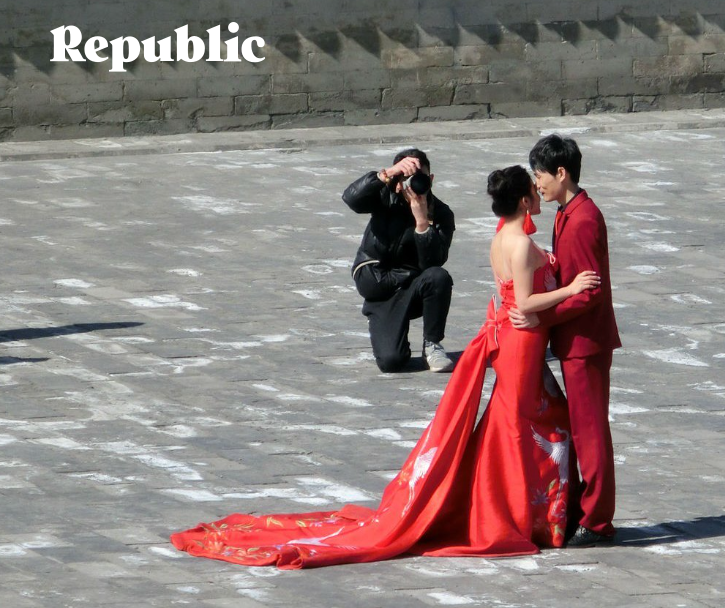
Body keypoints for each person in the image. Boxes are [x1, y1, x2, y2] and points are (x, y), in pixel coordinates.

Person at [169, 166, 600, 568]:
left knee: (521, 424)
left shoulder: (503, 236)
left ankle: (528, 511)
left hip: (514, 340)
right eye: (533, 190)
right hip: (521, 344)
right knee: (525, 428)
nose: (538, 193)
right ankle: (522, 515)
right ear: (524, 201)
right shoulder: (520, 244)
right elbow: (524, 302)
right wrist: (571, 289)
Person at [510, 134, 622, 547]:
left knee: (591, 433)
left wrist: (541, 315)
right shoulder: (567, 213)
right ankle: (583, 511)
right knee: (583, 429)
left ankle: (597, 520)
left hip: (585, 342)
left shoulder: (583, 219)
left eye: (540, 174)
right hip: (576, 341)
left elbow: (588, 293)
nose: (536, 183)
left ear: (562, 173)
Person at [343, 148, 456, 373]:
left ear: (431, 179)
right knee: (391, 362)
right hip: (381, 288)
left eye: (421, 178)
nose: (413, 185)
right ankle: (383, 324)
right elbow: (351, 198)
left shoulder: (441, 213)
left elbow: (434, 262)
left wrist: (422, 223)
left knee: (438, 277)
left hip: (414, 289)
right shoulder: (384, 197)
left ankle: (432, 344)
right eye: (407, 179)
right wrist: (386, 175)